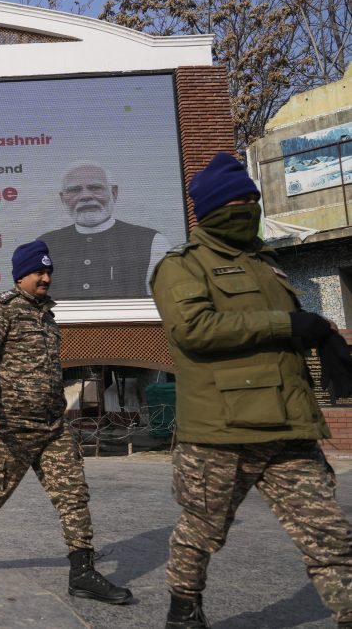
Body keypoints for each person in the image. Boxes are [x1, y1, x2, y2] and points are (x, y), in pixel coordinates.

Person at [151, 152, 352, 628]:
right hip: (221, 433)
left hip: (287, 427)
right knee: (202, 531)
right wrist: (286, 322)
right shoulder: (182, 266)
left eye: (252, 199)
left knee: (329, 533)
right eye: (236, 201)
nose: (247, 207)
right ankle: (184, 608)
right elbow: (193, 328)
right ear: (211, 208)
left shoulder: (268, 265)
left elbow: (288, 338)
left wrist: (323, 334)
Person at [0, 240, 133, 605]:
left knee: (73, 494)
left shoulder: (47, 314)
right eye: (38, 272)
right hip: (11, 427)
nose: (45, 278)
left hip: (51, 426)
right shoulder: (2, 310)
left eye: (48, 272)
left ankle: (83, 571)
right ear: (21, 275)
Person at [38, 161, 170, 298]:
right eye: (74, 190)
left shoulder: (151, 241)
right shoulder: (44, 245)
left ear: (114, 193)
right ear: (62, 198)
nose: (85, 196)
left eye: (95, 188)